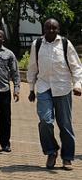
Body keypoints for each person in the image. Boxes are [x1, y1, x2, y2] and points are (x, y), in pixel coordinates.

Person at [27, 18, 82, 170]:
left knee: (65, 124)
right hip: (44, 87)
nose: (51, 30)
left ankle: (67, 157)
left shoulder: (65, 44)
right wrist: (31, 89)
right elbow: (32, 67)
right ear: (43, 29)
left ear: (58, 29)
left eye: (54, 28)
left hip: (63, 88)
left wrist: (77, 85)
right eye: (48, 28)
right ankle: (51, 152)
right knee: (45, 122)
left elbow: (76, 67)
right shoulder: (37, 44)